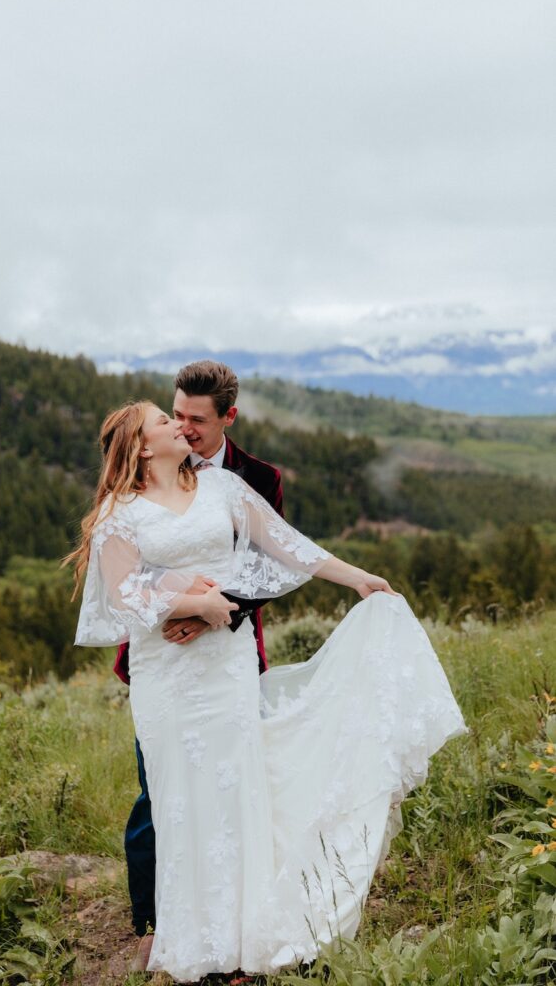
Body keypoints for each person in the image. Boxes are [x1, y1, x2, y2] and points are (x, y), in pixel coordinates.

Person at [66, 400, 466, 980]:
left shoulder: (223, 488)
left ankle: (248, 939)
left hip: (226, 665)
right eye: (163, 421)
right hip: (168, 676)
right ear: (143, 447)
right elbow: (125, 594)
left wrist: (356, 578)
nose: (179, 426)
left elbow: (285, 543)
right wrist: (192, 601)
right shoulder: (118, 515)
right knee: (181, 801)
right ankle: (198, 944)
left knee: (237, 791)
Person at [113, 361, 286, 948]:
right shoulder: (134, 490)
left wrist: (216, 613)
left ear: (228, 418)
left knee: (233, 786)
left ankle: (237, 923)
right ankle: (153, 926)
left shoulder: (255, 477)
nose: (184, 428)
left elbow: (271, 562)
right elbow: (126, 578)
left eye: (196, 420)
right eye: (176, 414)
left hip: (228, 652)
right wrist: (180, 610)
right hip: (162, 655)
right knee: (158, 793)